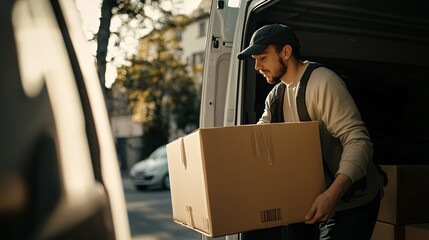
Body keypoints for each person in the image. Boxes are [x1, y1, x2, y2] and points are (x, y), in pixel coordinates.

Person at [237, 23, 385, 240]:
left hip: (352, 198)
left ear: (285, 52)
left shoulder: (322, 83)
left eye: (263, 58)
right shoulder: (276, 96)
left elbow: (358, 141)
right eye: (255, 60)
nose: (257, 66)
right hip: (313, 198)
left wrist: (331, 195)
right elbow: (259, 140)